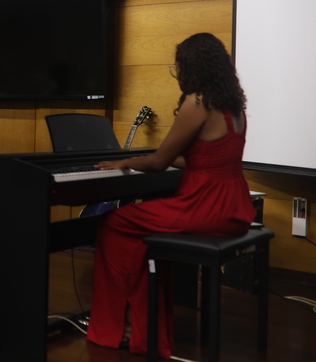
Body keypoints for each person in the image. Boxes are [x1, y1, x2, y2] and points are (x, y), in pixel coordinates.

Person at [87, 33, 257, 359]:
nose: (176, 71)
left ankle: (123, 326)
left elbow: (158, 162)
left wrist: (125, 161)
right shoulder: (232, 107)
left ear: (192, 65)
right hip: (234, 207)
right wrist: (144, 159)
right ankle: (145, 325)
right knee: (145, 231)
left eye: (178, 65)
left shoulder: (197, 102)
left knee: (113, 222)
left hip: (205, 207)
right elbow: (201, 160)